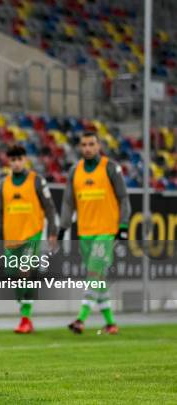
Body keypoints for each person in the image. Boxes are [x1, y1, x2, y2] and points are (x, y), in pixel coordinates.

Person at [59, 132, 131, 335]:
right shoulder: (75, 171)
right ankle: (111, 323)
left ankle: (81, 319)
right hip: (85, 233)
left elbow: (123, 198)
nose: (88, 148)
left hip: (106, 232)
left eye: (91, 144)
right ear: (80, 147)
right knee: (98, 277)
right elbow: (68, 202)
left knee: (93, 273)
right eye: (84, 144)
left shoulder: (110, 167)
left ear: (98, 145)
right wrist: (64, 228)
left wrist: (123, 226)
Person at [0, 145, 58, 333]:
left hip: (32, 235)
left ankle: (25, 319)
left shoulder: (37, 181)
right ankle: (25, 314)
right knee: (14, 276)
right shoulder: (4, 184)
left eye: (19, 159)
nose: (16, 163)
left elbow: (50, 208)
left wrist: (52, 231)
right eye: (13, 160)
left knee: (24, 270)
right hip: (12, 238)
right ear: (8, 162)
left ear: (25, 159)